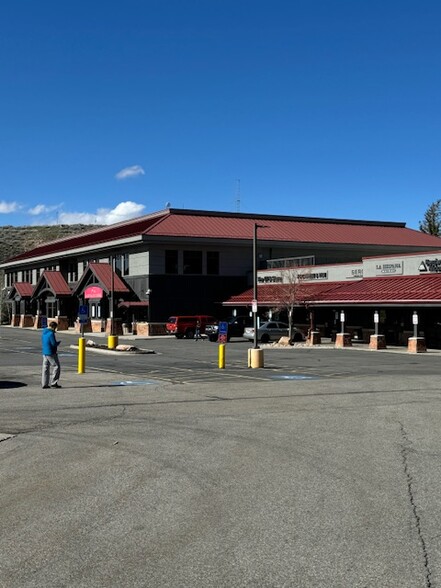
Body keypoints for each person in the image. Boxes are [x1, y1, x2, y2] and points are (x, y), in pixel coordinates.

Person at [41, 321, 61, 389]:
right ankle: (54, 382)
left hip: (45, 352)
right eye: (55, 328)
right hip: (51, 352)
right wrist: (58, 343)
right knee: (56, 366)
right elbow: (53, 343)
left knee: (45, 368)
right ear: (53, 327)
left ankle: (44, 383)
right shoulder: (51, 333)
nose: (55, 329)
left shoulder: (44, 332)